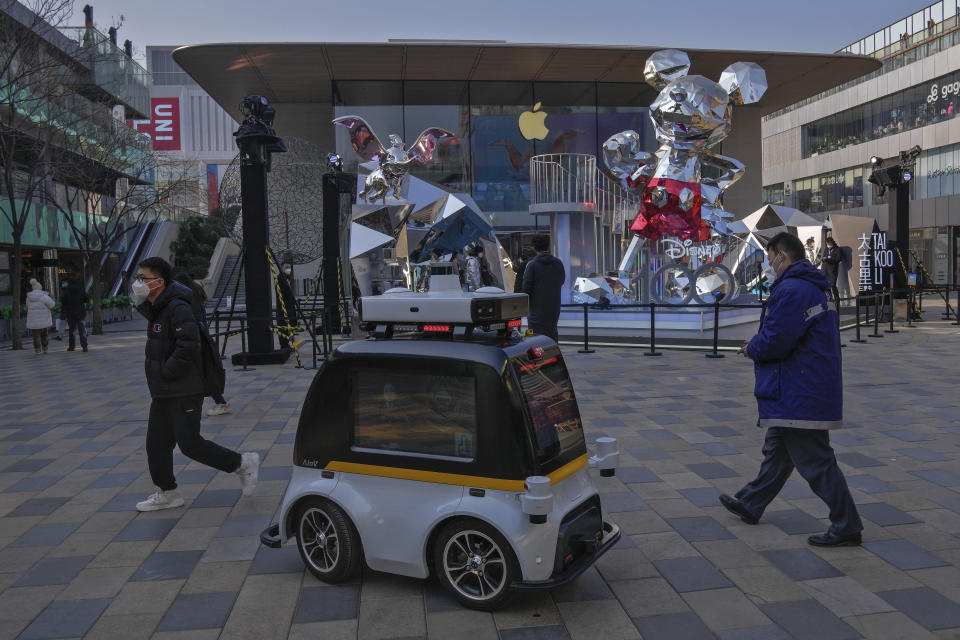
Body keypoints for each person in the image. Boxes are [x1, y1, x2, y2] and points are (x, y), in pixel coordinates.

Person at [719, 232, 862, 547]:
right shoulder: (812, 287)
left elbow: (776, 339)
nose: (768, 264)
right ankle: (751, 503)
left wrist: (752, 347)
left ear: (781, 256)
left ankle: (847, 524)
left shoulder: (793, 290)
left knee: (815, 460)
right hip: (803, 385)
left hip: (799, 390)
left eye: (770, 258)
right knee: (778, 452)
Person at [132, 257, 258, 512]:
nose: (138, 283)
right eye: (138, 278)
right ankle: (168, 492)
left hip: (183, 388)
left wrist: (167, 372)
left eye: (143, 279)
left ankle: (242, 463)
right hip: (163, 390)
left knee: (189, 443)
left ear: (159, 281)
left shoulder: (178, 307)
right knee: (156, 445)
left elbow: (188, 345)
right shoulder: (158, 307)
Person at [174, 272, 231, 417]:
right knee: (204, 371)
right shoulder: (196, 294)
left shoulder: (185, 299)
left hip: (193, 338)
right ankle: (218, 402)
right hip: (202, 337)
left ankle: (219, 403)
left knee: (197, 372)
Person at [522, 234, 565, 342]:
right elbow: (562, 280)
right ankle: (553, 354)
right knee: (552, 332)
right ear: (548, 247)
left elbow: (526, 288)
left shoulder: (532, 265)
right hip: (553, 307)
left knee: (534, 336)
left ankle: (537, 357)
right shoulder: (558, 263)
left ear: (534, 247)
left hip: (536, 309)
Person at [25, 279, 55, 355]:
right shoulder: (44, 296)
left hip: (33, 319)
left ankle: (37, 349)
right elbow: (51, 305)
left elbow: (27, 305)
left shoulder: (29, 297)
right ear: (40, 287)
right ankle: (45, 348)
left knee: (35, 335)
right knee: (44, 334)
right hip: (44, 319)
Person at [60, 276, 90, 352]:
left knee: (72, 330)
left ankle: (72, 346)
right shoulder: (81, 290)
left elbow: (63, 302)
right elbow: (87, 299)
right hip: (80, 312)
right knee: (82, 329)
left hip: (70, 313)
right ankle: (84, 346)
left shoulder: (67, 291)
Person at [277, 262, 298, 350]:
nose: (288, 269)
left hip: (290, 307)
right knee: (284, 327)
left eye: (289, 267)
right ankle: (284, 345)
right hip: (284, 307)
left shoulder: (288, 278)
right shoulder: (280, 278)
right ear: (282, 268)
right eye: (286, 267)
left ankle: (289, 344)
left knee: (291, 327)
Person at [820, 236, 841, 304]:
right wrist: (823, 259)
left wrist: (829, 259)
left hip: (832, 270)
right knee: (827, 286)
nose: (828, 244)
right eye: (827, 243)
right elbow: (824, 257)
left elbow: (837, 260)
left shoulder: (837, 249)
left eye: (829, 243)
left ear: (832, 242)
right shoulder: (826, 249)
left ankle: (837, 300)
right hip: (825, 270)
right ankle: (830, 300)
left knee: (833, 285)